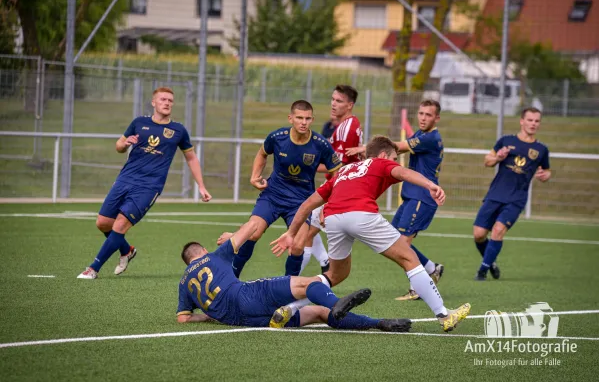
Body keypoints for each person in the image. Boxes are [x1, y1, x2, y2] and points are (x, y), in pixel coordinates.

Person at [271, 136, 471, 332]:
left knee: (335, 274)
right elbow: (403, 173)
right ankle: (445, 315)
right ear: (383, 155)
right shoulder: (380, 163)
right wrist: (430, 185)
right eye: (392, 158)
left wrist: (291, 232)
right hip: (361, 214)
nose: (393, 163)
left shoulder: (344, 171)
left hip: (333, 219)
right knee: (409, 258)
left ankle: (289, 307)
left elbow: (308, 204)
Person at [177, 218, 412, 333]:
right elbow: (252, 226)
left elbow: (184, 319)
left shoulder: (184, 283)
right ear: (203, 252)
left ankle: (379, 323)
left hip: (242, 320)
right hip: (247, 295)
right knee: (306, 285)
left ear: (188, 261)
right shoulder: (215, 256)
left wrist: (209, 316)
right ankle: (345, 307)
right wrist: (232, 235)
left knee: (318, 314)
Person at [77, 87, 212, 279]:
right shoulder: (139, 123)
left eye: (170, 100)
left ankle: (93, 269)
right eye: (163, 99)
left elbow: (191, 158)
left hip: (149, 186)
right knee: (103, 223)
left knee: (120, 225)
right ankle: (127, 250)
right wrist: (124, 144)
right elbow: (119, 146)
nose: (167, 103)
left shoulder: (178, 130)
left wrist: (201, 186)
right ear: (154, 102)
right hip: (125, 179)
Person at [224, 100, 342, 278]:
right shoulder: (277, 137)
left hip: (301, 203)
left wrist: (329, 204)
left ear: (312, 119)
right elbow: (262, 153)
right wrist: (255, 176)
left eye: (308, 118)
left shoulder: (320, 144)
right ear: (290, 118)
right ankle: (231, 280)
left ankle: (287, 291)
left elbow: (337, 173)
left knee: (297, 245)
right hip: (273, 196)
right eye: (299, 118)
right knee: (252, 234)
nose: (304, 122)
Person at [346, 100, 445, 301]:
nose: (423, 117)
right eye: (421, 113)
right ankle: (431, 268)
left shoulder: (431, 138)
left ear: (437, 118)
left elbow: (397, 147)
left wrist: (367, 149)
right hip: (411, 194)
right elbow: (396, 150)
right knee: (396, 238)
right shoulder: (420, 134)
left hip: (422, 196)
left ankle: (417, 288)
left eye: (428, 114)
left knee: (404, 243)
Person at [473, 107, 551, 281]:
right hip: (495, 194)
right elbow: (488, 161)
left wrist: (545, 175)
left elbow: (547, 171)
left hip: (517, 198)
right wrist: (498, 158)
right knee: (478, 234)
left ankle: (482, 271)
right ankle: (491, 262)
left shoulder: (541, 149)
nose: (533, 124)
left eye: (537, 121)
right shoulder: (506, 141)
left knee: (498, 230)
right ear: (522, 121)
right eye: (530, 120)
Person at [301, 85, 364, 275]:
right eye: (333, 99)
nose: (333, 104)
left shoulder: (347, 127)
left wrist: (329, 202)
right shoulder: (343, 126)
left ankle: (290, 283)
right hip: (339, 187)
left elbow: (340, 168)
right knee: (307, 231)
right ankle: (324, 265)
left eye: (339, 101)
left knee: (304, 235)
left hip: (339, 188)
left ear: (350, 105)